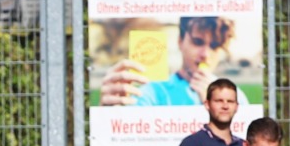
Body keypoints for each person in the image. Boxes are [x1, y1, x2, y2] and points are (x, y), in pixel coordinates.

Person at [99, 17, 233, 106]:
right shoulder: (151, 93)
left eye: (215, 46)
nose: (205, 54)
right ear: (180, 41)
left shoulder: (235, 97)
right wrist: (109, 115)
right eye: (197, 42)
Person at [177, 78, 245, 146]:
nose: (225, 106)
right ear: (207, 104)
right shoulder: (192, 144)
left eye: (230, 101)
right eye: (219, 101)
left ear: (236, 107)